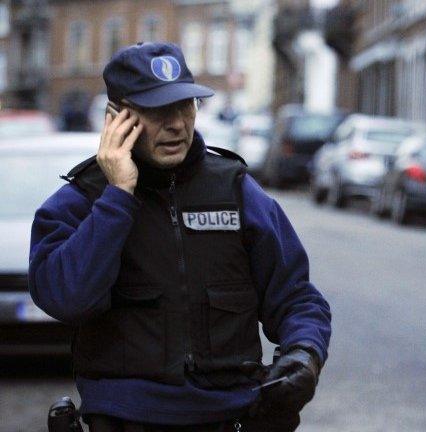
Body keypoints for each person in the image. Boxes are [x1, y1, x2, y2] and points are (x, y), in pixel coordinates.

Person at [29, 42, 331, 431]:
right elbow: (67, 299)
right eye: (157, 111)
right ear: (116, 118)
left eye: (185, 106)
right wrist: (118, 196)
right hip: (125, 420)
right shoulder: (81, 201)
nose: (176, 124)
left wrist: (304, 354)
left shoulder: (236, 190)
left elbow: (296, 297)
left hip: (230, 416)